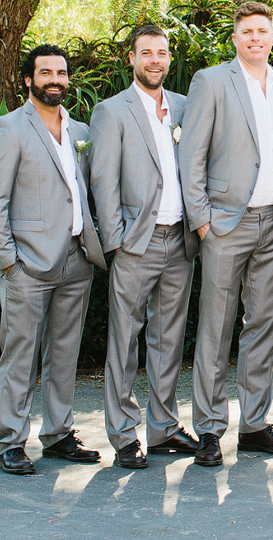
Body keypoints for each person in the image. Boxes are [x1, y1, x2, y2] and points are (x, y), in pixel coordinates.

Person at [179, 1, 273, 467]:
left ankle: (254, 425)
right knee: (216, 326)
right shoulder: (211, 82)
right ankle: (209, 428)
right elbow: (191, 154)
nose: (255, 38)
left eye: (263, 32)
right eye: (247, 32)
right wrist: (203, 219)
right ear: (235, 38)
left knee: (264, 325)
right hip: (226, 222)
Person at [0, 44, 107, 475]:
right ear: (28, 79)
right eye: (46, 72)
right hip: (27, 266)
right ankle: (11, 442)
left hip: (76, 258)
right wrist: (8, 263)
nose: (55, 79)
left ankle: (58, 435)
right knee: (19, 355)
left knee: (65, 353)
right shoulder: (7, 128)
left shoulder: (79, 131)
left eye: (62, 72)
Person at [90, 24, 201, 469]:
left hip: (180, 240)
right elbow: (103, 181)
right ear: (131, 59)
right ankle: (122, 435)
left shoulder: (185, 108)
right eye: (146, 53)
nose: (155, 60)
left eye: (161, 52)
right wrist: (116, 244)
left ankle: (164, 428)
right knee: (125, 341)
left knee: (168, 339)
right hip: (136, 244)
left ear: (169, 58)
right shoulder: (111, 111)